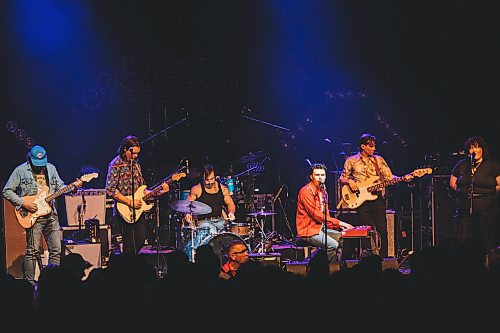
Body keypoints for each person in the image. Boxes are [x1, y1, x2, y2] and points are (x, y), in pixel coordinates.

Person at [3, 145, 82, 285]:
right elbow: (7, 191)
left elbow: (60, 186)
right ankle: (29, 285)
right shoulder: (20, 171)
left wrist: (73, 187)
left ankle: (53, 283)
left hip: (51, 215)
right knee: (32, 251)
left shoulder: (51, 168)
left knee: (56, 250)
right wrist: (23, 203)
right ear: (30, 158)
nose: (39, 166)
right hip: (33, 216)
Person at [339, 133, 413, 258]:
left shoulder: (378, 160)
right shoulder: (351, 161)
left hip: (377, 198)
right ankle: (368, 257)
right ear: (363, 146)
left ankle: (383, 258)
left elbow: (389, 177)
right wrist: (350, 181)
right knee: (366, 231)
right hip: (361, 200)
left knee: (383, 231)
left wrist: (403, 178)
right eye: (371, 146)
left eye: (374, 146)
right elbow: (342, 179)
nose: (374, 149)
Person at [105, 135, 169, 255]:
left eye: (137, 154)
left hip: (138, 210)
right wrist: (129, 202)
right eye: (133, 153)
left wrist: (159, 191)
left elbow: (143, 190)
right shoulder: (115, 164)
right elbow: (110, 190)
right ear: (125, 149)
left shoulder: (136, 165)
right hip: (123, 210)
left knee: (140, 240)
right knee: (128, 243)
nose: (135, 156)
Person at [450, 136, 500, 252]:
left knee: (485, 236)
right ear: (468, 151)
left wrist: (487, 194)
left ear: (482, 150)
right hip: (464, 207)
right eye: (472, 147)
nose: (474, 150)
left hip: (486, 209)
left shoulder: (492, 166)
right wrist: (463, 193)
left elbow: (499, 184)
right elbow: (453, 183)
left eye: (477, 147)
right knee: (462, 236)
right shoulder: (461, 165)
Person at [296, 163, 353, 262]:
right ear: (311, 176)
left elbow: (326, 215)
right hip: (308, 231)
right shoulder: (306, 191)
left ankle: (338, 265)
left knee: (345, 237)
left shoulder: (323, 191)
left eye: (322, 175)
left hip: (321, 228)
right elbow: (316, 215)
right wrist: (340, 223)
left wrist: (336, 227)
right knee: (333, 245)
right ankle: (329, 270)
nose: (320, 178)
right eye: (317, 175)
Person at [184, 163, 236, 235]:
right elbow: (186, 205)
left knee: (228, 235)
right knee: (213, 233)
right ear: (203, 178)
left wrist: (231, 212)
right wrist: (187, 214)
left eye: (212, 179)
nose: (210, 182)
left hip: (220, 221)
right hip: (204, 222)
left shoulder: (223, 189)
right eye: (207, 180)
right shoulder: (197, 189)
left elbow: (230, 204)